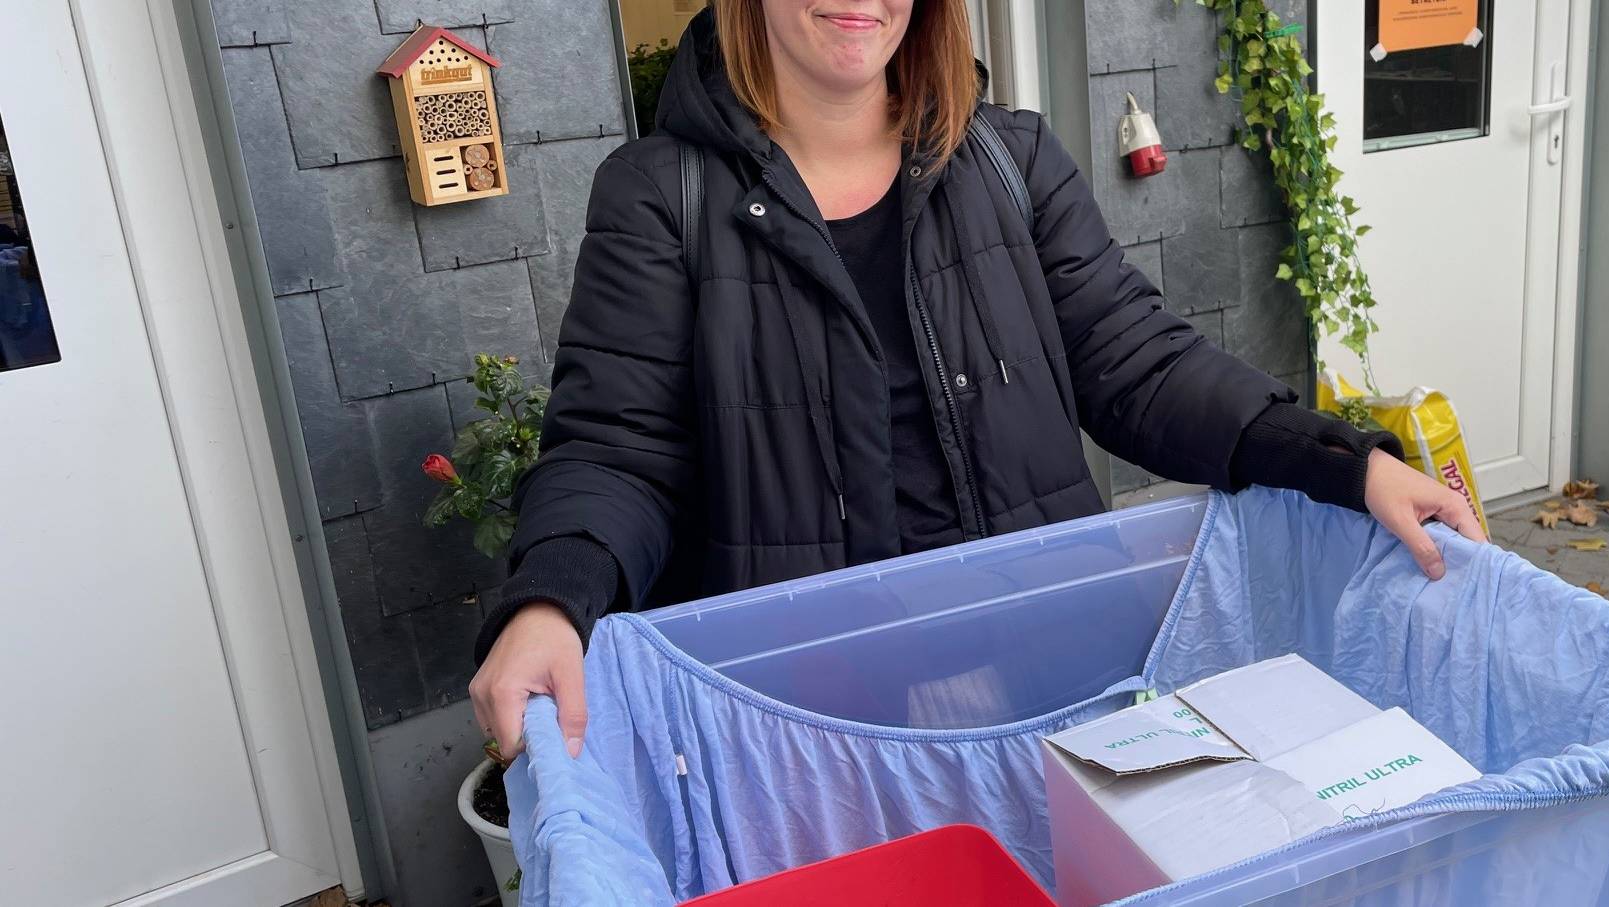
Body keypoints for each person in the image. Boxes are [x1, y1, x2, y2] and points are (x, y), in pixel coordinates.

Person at [469, 1, 1485, 762]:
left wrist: (1345, 465)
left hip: (1053, 689)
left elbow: (1140, 363)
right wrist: (550, 603)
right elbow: (616, 448)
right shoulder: (661, 199)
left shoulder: (1010, 161)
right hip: (806, 725)